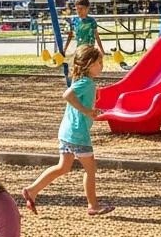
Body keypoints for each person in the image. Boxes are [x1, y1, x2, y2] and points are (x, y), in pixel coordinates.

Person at [20, 45, 114, 216]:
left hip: (67, 132)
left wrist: (93, 101)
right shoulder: (86, 82)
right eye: (99, 62)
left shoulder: (81, 81)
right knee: (91, 169)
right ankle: (93, 206)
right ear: (89, 64)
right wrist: (86, 111)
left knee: (63, 167)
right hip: (78, 135)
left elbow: (77, 96)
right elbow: (67, 95)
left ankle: (32, 190)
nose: (102, 65)